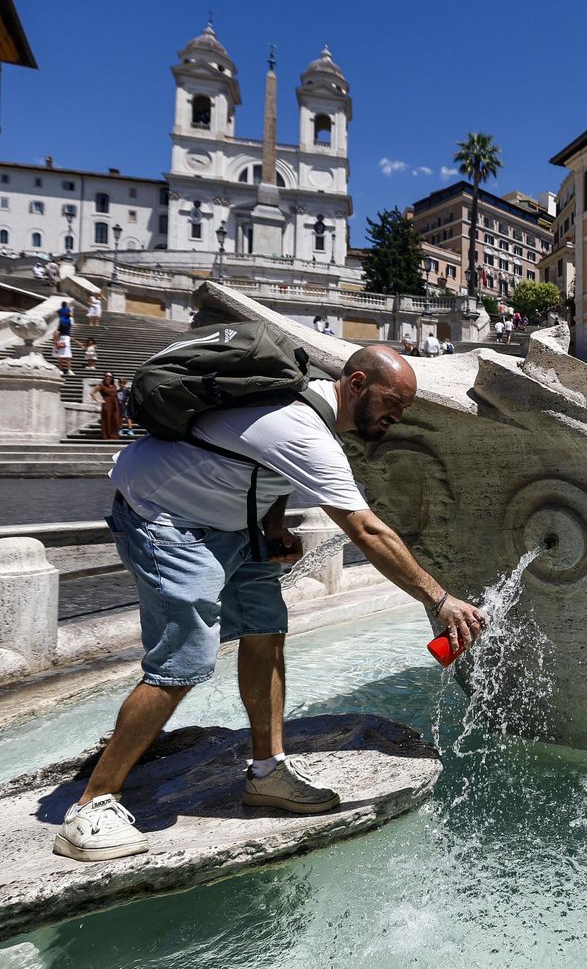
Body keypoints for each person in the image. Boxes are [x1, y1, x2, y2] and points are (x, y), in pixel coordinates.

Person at [52, 340, 488, 862]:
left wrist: (274, 526)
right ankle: (93, 805)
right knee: (186, 658)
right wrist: (440, 600)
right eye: (393, 401)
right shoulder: (303, 428)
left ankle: (267, 772)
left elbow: (269, 468)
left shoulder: (314, 420)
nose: (399, 414)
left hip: (235, 524)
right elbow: (368, 531)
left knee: (266, 629)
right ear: (355, 385)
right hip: (165, 519)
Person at [91, 372, 122, 440]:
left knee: (115, 419)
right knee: (107, 418)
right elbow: (92, 393)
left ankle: (114, 435)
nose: (108, 377)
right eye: (106, 376)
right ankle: (106, 435)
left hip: (115, 403)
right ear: (104, 377)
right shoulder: (101, 385)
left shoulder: (114, 386)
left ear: (112, 378)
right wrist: (98, 400)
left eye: (109, 376)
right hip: (107, 403)